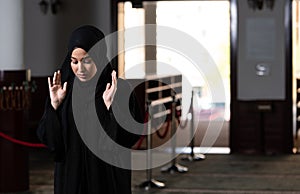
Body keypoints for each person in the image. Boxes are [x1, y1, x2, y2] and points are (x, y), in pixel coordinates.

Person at [37, 25, 143, 194]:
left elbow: (128, 138)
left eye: (87, 60)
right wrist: (54, 108)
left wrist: (111, 108)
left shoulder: (118, 89)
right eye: (74, 61)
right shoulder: (63, 90)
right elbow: (51, 142)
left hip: (106, 179)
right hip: (71, 180)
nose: (80, 68)